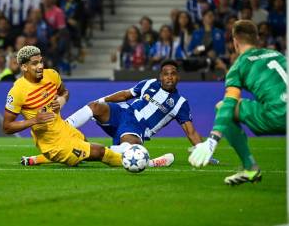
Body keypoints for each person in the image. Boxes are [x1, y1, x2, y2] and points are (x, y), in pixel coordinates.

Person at [64, 60, 219, 166]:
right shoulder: (150, 83)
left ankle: (82, 152)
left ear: (177, 77)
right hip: (125, 112)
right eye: (166, 73)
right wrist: (102, 100)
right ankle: (64, 127)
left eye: (173, 74)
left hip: (138, 127)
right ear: (161, 76)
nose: (169, 77)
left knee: (128, 151)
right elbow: (125, 95)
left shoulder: (180, 103)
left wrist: (204, 150)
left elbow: (190, 132)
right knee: (95, 107)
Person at [189, 20, 286, 185]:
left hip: (278, 116)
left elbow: (228, 104)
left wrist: (213, 139)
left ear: (235, 41)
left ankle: (250, 168)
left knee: (221, 106)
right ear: (257, 39)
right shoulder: (279, 55)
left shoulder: (239, 66)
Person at [3, 45, 122, 167]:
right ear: (24, 67)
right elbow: (7, 127)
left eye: (41, 61)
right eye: (34, 63)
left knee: (86, 146)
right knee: (100, 151)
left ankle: (36, 160)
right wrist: (35, 120)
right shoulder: (17, 91)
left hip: (64, 128)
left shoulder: (51, 75)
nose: (40, 66)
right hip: (51, 143)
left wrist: (62, 100)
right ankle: (129, 162)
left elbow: (65, 92)